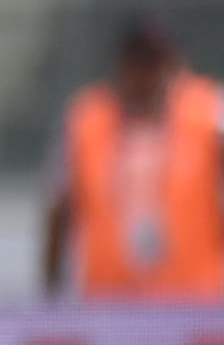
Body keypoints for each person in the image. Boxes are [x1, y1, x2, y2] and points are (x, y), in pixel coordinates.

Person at [42, 16, 223, 301]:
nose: (150, 75)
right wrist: (50, 297)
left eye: (158, 62)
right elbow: (58, 210)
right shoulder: (86, 120)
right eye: (141, 63)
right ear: (122, 64)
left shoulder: (209, 113)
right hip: (112, 307)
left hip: (194, 306)